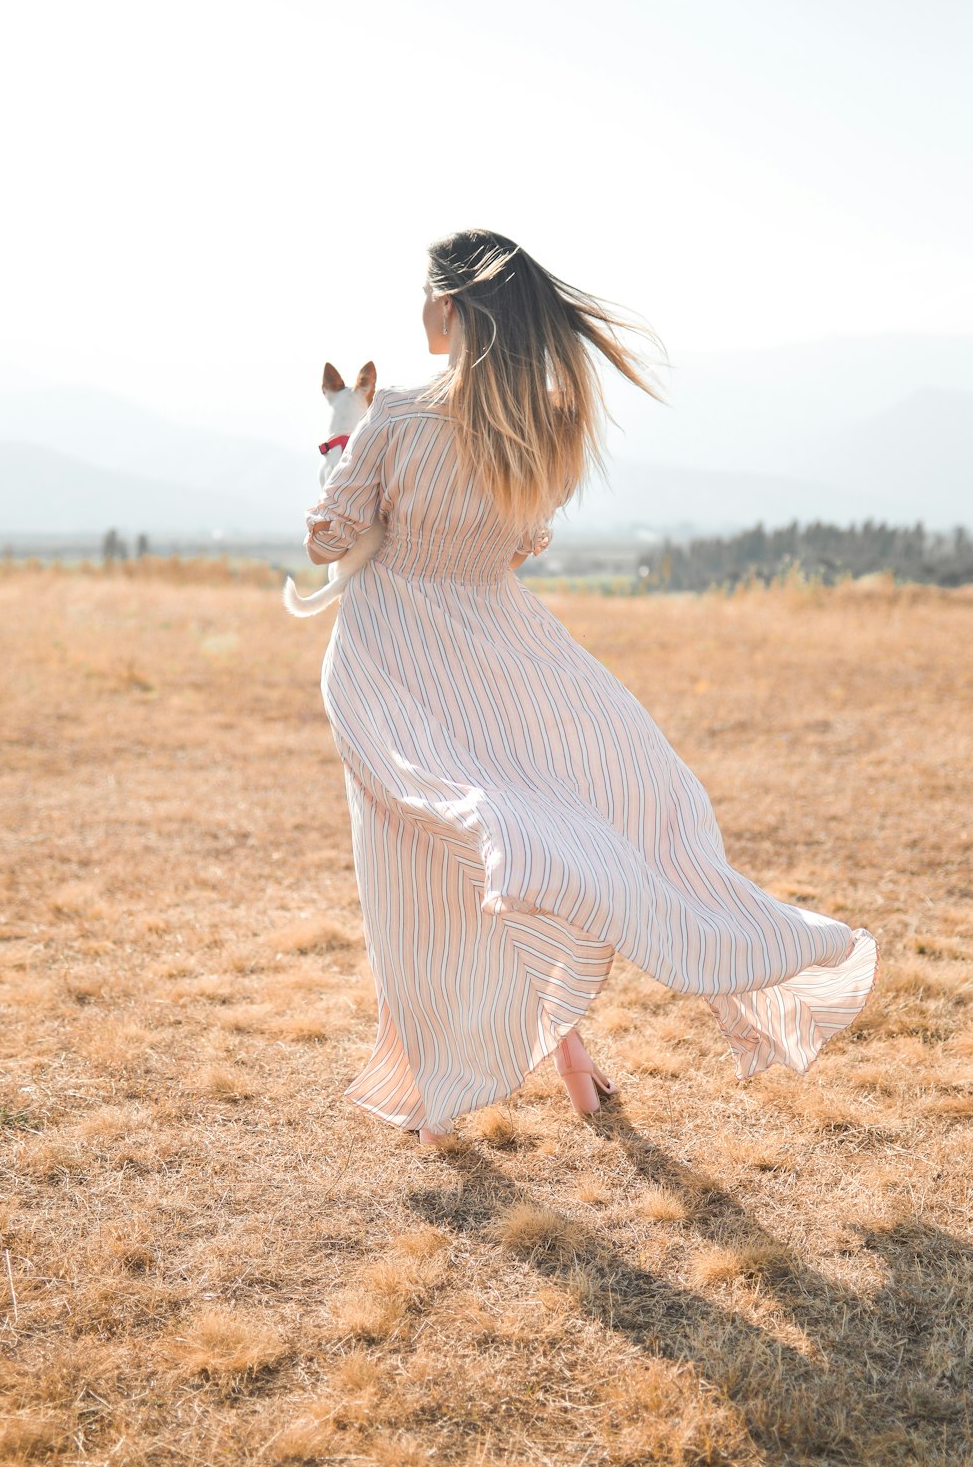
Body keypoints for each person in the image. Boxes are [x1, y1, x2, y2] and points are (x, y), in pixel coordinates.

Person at [300, 228, 880, 1148]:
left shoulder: (399, 415)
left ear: (451, 306)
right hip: (508, 650)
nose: (419, 309)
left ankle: (436, 1096)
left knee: (422, 872)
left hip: (392, 659)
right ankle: (564, 1055)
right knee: (549, 831)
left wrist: (333, 473)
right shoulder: (551, 419)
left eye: (425, 293)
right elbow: (524, 544)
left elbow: (332, 538)